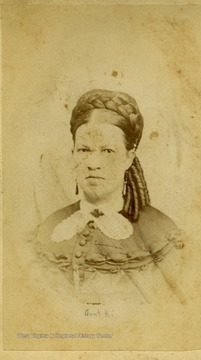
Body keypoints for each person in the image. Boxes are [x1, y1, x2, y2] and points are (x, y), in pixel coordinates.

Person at [34, 89, 188, 306]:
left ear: (128, 158)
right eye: (84, 150)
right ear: (73, 154)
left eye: (107, 151)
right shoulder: (50, 227)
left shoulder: (160, 231)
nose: (92, 163)